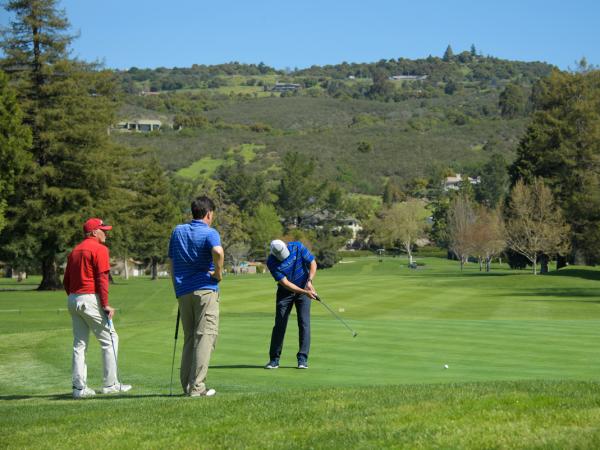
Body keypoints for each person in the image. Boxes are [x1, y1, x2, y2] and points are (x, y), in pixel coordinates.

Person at [63, 218, 132, 399]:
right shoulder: (100, 249)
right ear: (94, 232)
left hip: (73, 299)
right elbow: (102, 279)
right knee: (110, 339)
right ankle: (110, 384)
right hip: (89, 298)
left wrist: (74, 298)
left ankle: (79, 389)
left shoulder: (74, 251)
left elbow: (66, 281)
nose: (106, 233)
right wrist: (105, 304)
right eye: (103, 230)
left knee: (79, 344)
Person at [168, 196, 224, 397]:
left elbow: (171, 264)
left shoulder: (177, 231)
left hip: (183, 292)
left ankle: (187, 387)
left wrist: (177, 288)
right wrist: (218, 273)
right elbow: (218, 251)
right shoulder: (210, 232)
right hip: (205, 290)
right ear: (209, 214)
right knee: (204, 337)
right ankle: (198, 388)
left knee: (190, 338)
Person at [265, 239, 318, 370]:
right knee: (280, 324)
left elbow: (312, 263)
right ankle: (274, 360)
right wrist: (305, 292)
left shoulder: (297, 247)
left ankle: (302, 359)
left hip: (304, 288)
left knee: (304, 323)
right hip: (285, 293)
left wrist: (309, 281)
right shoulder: (271, 262)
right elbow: (286, 284)